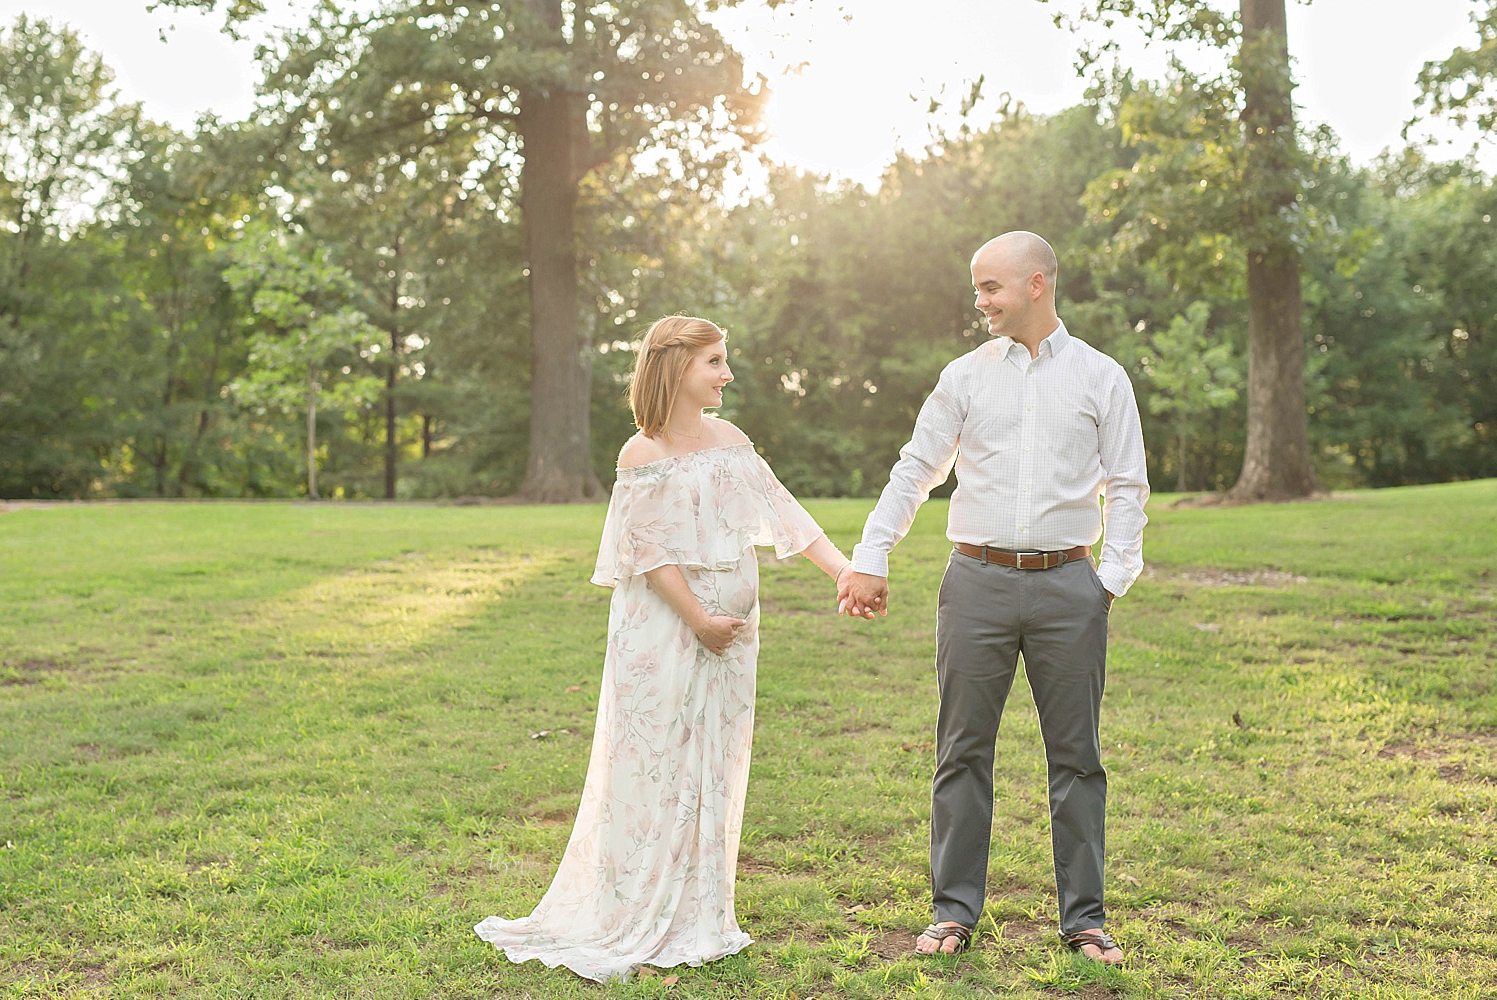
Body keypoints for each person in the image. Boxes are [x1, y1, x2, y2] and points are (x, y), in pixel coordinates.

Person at [475, 315, 855, 983]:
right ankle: (635, 909)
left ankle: (699, 909)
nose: (726, 374)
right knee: (655, 763)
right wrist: (700, 619)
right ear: (676, 368)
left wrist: (846, 573)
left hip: (731, 638)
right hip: (665, 630)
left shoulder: (732, 442)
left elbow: (787, 513)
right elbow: (648, 554)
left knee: (712, 761)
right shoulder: (641, 454)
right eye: (714, 361)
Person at [838, 232, 1149, 965]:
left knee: (1077, 758)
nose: (979, 301)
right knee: (962, 751)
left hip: (1070, 586)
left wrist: (1110, 581)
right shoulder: (964, 377)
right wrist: (872, 553)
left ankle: (1085, 920)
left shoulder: (1102, 377)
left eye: (990, 288)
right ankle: (952, 913)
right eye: (977, 288)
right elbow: (916, 470)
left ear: (1036, 283)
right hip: (974, 583)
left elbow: (1128, 484)